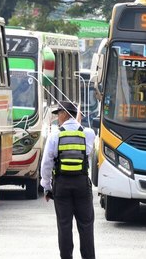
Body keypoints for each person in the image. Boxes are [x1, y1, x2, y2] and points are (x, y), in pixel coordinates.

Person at [41, 101, 96, 259]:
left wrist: (46, 187)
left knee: (64, 226)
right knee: (86, 225)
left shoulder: (55, 135)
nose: (57, 117)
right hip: (82, 185)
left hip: (62, 185)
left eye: (58, 114)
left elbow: (46, 164)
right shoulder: (88, 134)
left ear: (65, 114)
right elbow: (86, 145)